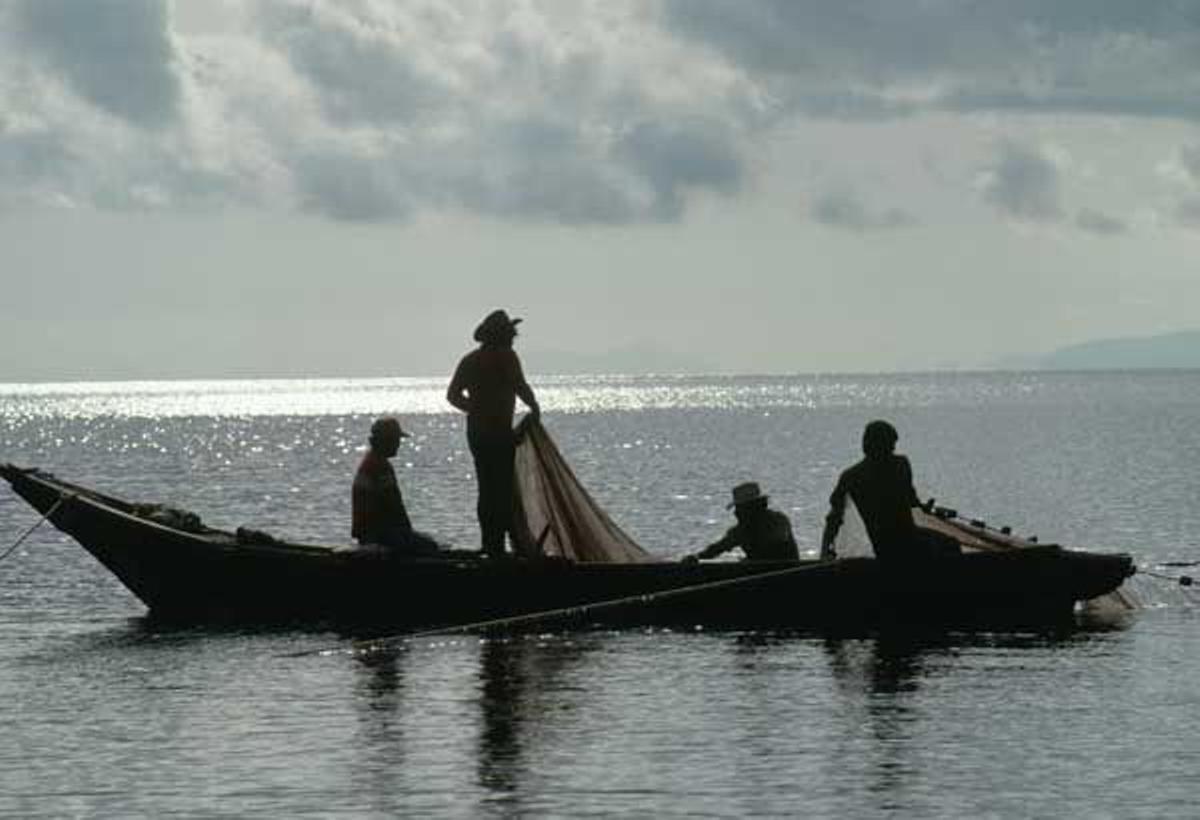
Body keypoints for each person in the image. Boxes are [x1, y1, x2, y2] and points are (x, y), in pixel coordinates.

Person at [446, 309, 541, 558]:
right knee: (501, 489)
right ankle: (500, 545)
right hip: (498, 434)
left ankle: (492, 544)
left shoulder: (469, 360)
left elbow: (452, 395)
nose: (513, 338)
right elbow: (520, 386)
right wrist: (534, 407)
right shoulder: (506, 357)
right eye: (510, 334)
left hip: (477, 434)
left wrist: (475, 409)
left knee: (487, 488)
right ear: (501, 336)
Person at [820, 420, 961, 563]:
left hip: (883, 547)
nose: (893, 449)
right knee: (951, 544)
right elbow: (912, 500)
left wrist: (825, 551)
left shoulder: (850, 476)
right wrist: (924, 507)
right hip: (911, 540)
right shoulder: (901, 465)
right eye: (891, 446)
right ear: (883, 446)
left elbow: (833, 519)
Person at [351, 416, 439, 554]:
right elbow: (394, 505)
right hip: (378, 534)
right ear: (386, 441)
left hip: (367, 533)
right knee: (431, 546)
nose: (398, 444)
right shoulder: (380, 467)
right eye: (396, 440)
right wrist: (407, 533)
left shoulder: (370, 461)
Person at [682, 482, 800, 563]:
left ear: (754, 507)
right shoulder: (740, 531)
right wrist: (697, 557)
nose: (736, 513)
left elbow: (777, 543)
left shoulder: (778, 521)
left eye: (740, 508)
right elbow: (717, 548)